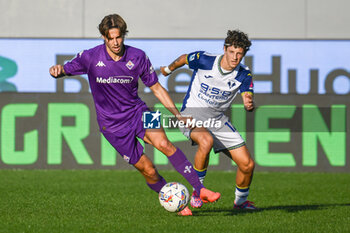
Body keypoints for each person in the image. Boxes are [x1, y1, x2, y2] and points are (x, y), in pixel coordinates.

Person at [49, 14, 220, 216]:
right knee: (148, 169)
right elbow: (65, 69)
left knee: (165, 144)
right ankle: (177, 204)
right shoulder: (90, 57)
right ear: (104, 37)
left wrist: (177, 115)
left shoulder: (138, 56)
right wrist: (57, 70)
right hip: (111, 126)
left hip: (139, 111)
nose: (115, 42)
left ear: (124, 35)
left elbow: (156, 87)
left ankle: (200, 190)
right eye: (111, 38)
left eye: (119, 37)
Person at [160, 30, 256, 210]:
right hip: (192, 113)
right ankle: (197, 191)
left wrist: (248, 101)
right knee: (206, 140)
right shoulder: (205, 59)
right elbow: (183, 58)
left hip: (217, 120)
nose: (235, 57)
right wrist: (168, 69)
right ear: (225, 49)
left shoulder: (244, 74)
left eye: (239, 54)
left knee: (247, 164)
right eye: (232, 52)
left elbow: (247, 93)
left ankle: (240, 203)